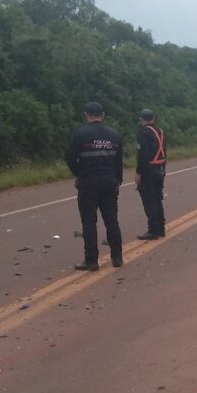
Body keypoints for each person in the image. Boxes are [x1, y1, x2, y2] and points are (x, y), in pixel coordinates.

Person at [65, 101, 123, 270]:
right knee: (111, 220)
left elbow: (70, 158)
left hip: (88, 183)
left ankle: (91, 260)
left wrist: (79, 174)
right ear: (102, 115)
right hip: (109, 182)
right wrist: (117, 179)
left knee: (89, 222)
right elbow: (119, 161)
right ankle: (117, 257)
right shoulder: (114, 134)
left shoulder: (80, 134)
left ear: (86, 115)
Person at [135, 108, 166, 239]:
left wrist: (138, 173)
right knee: (157, 199)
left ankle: (153, 230)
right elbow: (164, 153)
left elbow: (143, 155)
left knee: (149, 201)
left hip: (149, 171)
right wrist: (164, 171)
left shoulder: (144, 133)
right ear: (154, 118)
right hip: (160, 169)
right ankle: (161, 229)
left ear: (141, 119)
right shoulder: (160, 131)